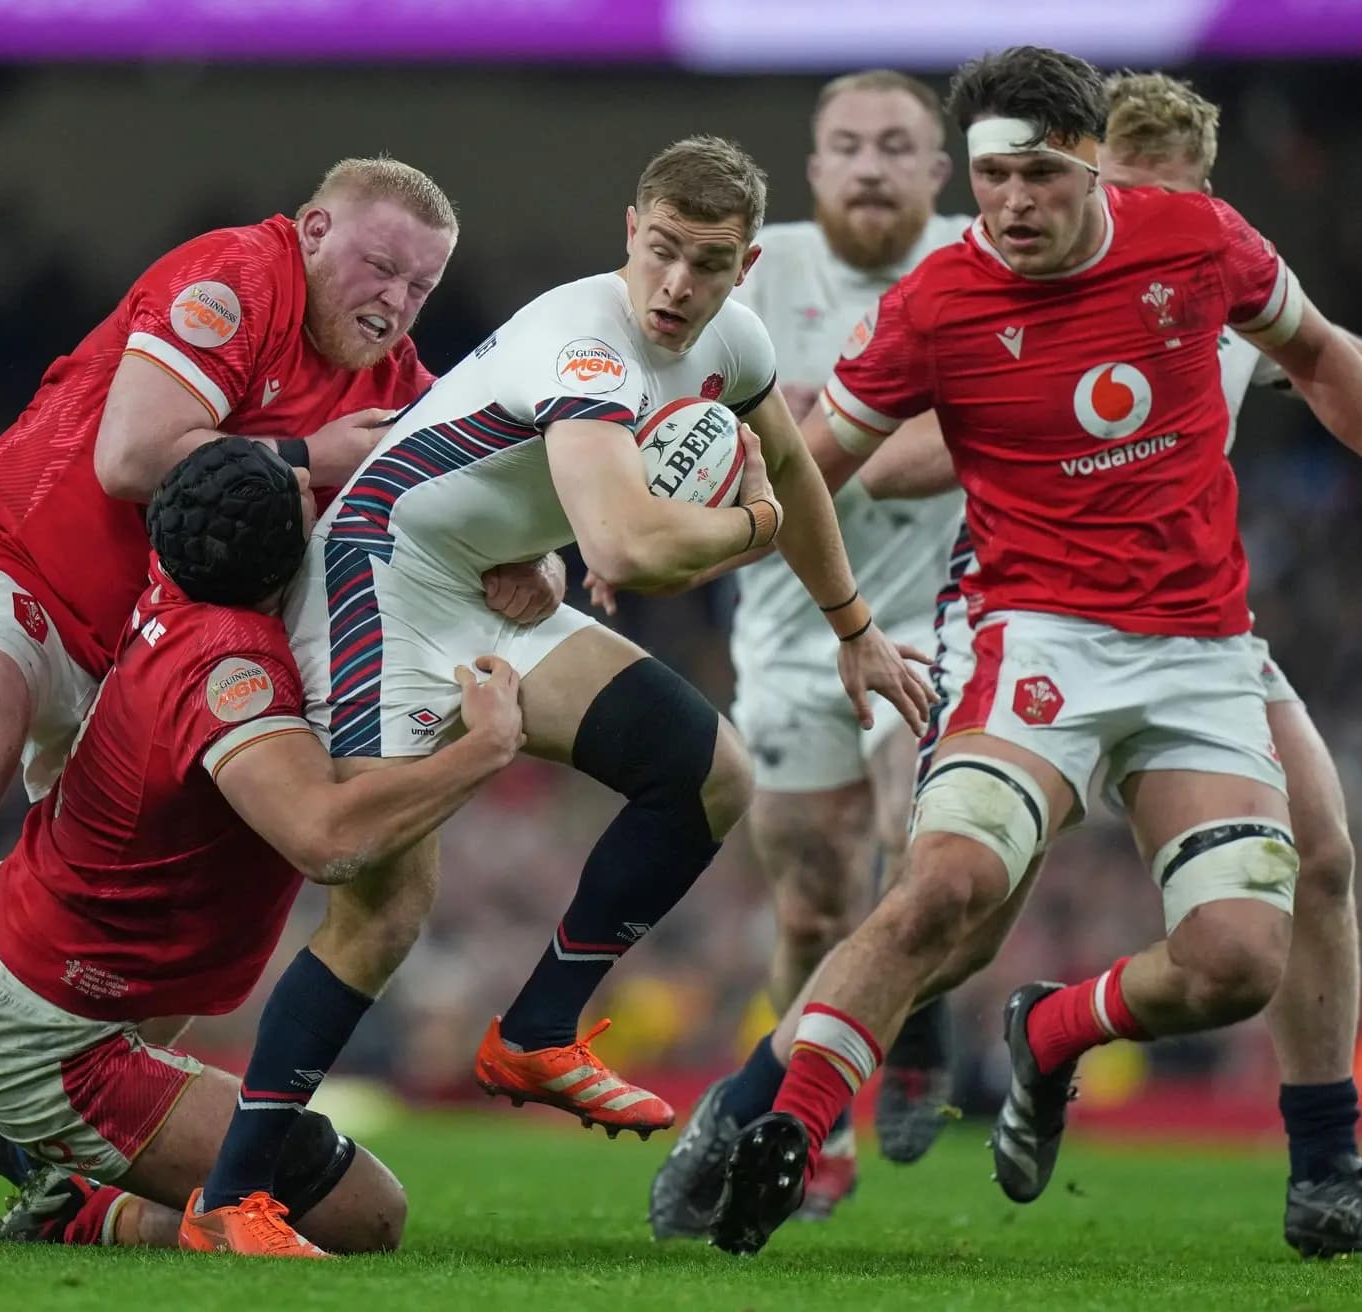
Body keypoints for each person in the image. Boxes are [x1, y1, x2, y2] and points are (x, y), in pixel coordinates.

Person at [670, 46, 1362, 1258]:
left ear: (1095, 176)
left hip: (1200, 648)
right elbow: (824, 463)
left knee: (1242, 954)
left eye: (1036, 175)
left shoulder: (1199, 246)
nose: (1011, 202)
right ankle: (784, 1121)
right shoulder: (938, 301)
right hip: (1032, 636)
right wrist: (677, 542)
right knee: (947, 896)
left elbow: (1333, 353)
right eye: (992, 179)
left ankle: (1056, 1034)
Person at [0, 158, 564, 1150]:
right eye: (379, 265)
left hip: (147, 651)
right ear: (313, 231)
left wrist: (540, 564)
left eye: (419, 286)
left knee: (180, 909)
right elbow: (129, 456)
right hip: (15, 563)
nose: (394, 300)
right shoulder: (236, 280)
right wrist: (314, 458)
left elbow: (491, 512)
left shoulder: (397, 387)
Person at [275, 135, 937, 1142]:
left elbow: (796, 473)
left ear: (743, 265)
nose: (676, 283)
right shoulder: (586, 342)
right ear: (630, 231)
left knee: (711, 771)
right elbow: (625, 550)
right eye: (661, 248)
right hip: (381, 573)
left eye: (709, 262)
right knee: (381, 908)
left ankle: (540, 1027)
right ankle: (230, 1188)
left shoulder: (736, 344)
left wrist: (855, 628)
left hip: (489, 587)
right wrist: (750, 526)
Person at [0, 438, 527, 1257]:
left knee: (14, 1071)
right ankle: (81, 1211)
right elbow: (328, 839)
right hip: (59, 1018)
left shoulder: (171, 584)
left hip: (15, 945)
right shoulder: (231, 667)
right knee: (366, 1212)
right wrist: (484, 748)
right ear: (286, 552)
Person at [633, 69, 971, 1229]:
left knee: (912, 835)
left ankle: (916, 1013)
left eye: (896, 146)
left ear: (939, 171)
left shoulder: (990, 258)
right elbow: (644, 402)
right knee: (816, 905)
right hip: (784, 624)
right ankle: (815, 1127)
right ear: (814, 167)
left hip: (946, 607)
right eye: (846, 145)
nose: (870, 165)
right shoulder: (746, 270)